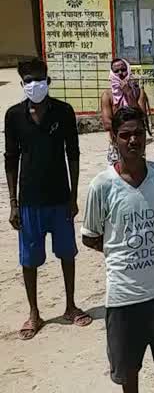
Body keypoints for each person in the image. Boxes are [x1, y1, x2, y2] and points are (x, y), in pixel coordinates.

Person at [82, 106, 154, 393]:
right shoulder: (101, 186)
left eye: (138, 134)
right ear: (114, 139)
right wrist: (118, 251)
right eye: (125, 135)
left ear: (146, 136)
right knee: (128, 373)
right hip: (122, 300)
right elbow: (90, 236)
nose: (132, 141)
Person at [4, 58, 92, 340]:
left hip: (60, 198)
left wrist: (74, 195)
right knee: (29, 259)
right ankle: (34, 312)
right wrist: (13, 204)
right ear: (22, 83)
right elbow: (10, 159)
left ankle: (70, 305)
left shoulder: (64, 112)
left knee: (67, 253)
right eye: (28, 80)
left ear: (48, 80)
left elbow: (73, 154)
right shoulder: (13, 116)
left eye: (38, 79)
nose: (34, 85)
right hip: (28, 200)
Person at [101, 58, 151, 165]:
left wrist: (129, 94)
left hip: (136, 142)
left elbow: (142, 117)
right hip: (116, 144)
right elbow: (106, 124)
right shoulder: (108, 96)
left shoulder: (138, 92)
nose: (120, 73)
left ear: (128, 70)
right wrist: (126, 130)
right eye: (116, 71)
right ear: (112, 73)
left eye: (123, 70)